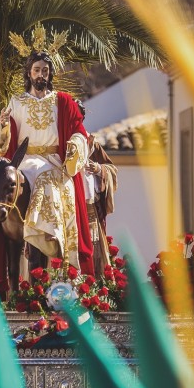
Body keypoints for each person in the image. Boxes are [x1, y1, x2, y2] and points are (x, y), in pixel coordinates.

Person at [0, 46, 93, 292]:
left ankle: (50, 247)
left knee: (48, 183)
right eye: (36, 70)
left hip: (55, 162)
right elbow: (2, 145)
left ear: (50, 73)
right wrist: (2, 126)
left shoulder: (62, 101)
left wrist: (76, 145)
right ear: (29, 73)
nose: (41, 75)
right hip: (25, 162)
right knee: (12, 185)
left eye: (45, 70)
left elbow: (79, 130)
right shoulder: (17, 102)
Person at [76, 101, 118, 275]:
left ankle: (94, 294)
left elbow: (112, 170)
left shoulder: (92, 144)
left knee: (94, 256)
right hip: (67, 209)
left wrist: (99, 169)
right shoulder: (59, 144)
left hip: (89, 209)